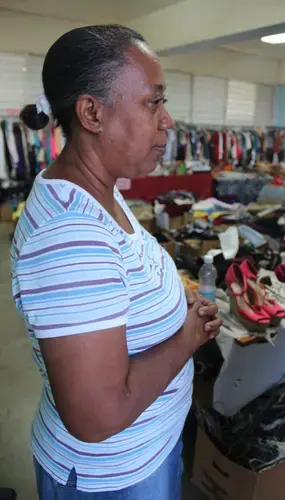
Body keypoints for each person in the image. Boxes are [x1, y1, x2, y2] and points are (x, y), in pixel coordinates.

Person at [11, 25, 222, 499]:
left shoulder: (101, 189)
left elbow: (121, 277)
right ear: (92, 112)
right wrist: (186, 337)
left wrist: (172, 299)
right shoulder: (69, 236)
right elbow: (97, 416)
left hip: (145, 449)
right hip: (113, 476)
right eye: (154, 102)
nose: (168, 121)